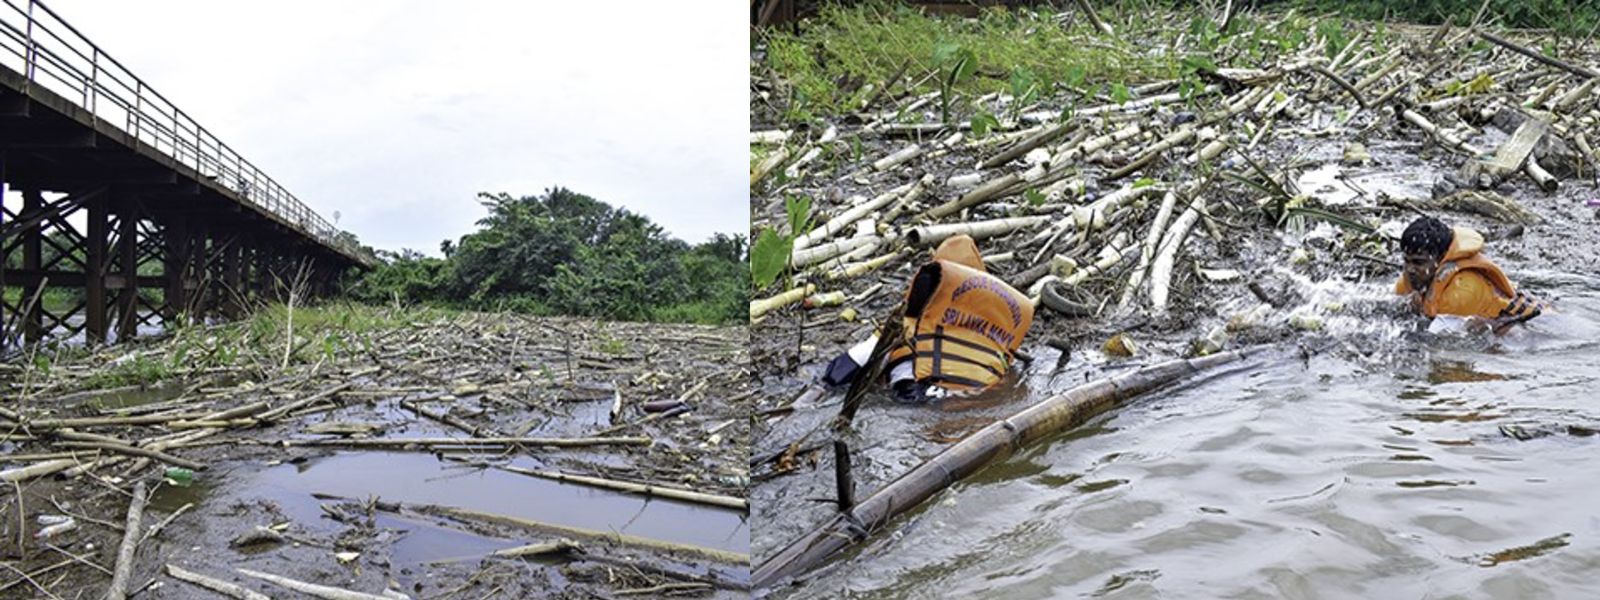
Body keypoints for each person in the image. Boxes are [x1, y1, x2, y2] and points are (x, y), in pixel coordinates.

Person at [823, 235, 1033, 401]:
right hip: (981, 400)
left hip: (919, 399)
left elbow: (838, 375)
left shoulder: (906, 327)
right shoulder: (997, 340)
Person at [1395, 216, 1542, 333]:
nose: (1410, 269)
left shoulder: (1461, 291)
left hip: (1534, 325)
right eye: (1406, 261)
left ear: (1441, 258)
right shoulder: (1409, 280)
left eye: (1418, 262)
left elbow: (1438, 341)